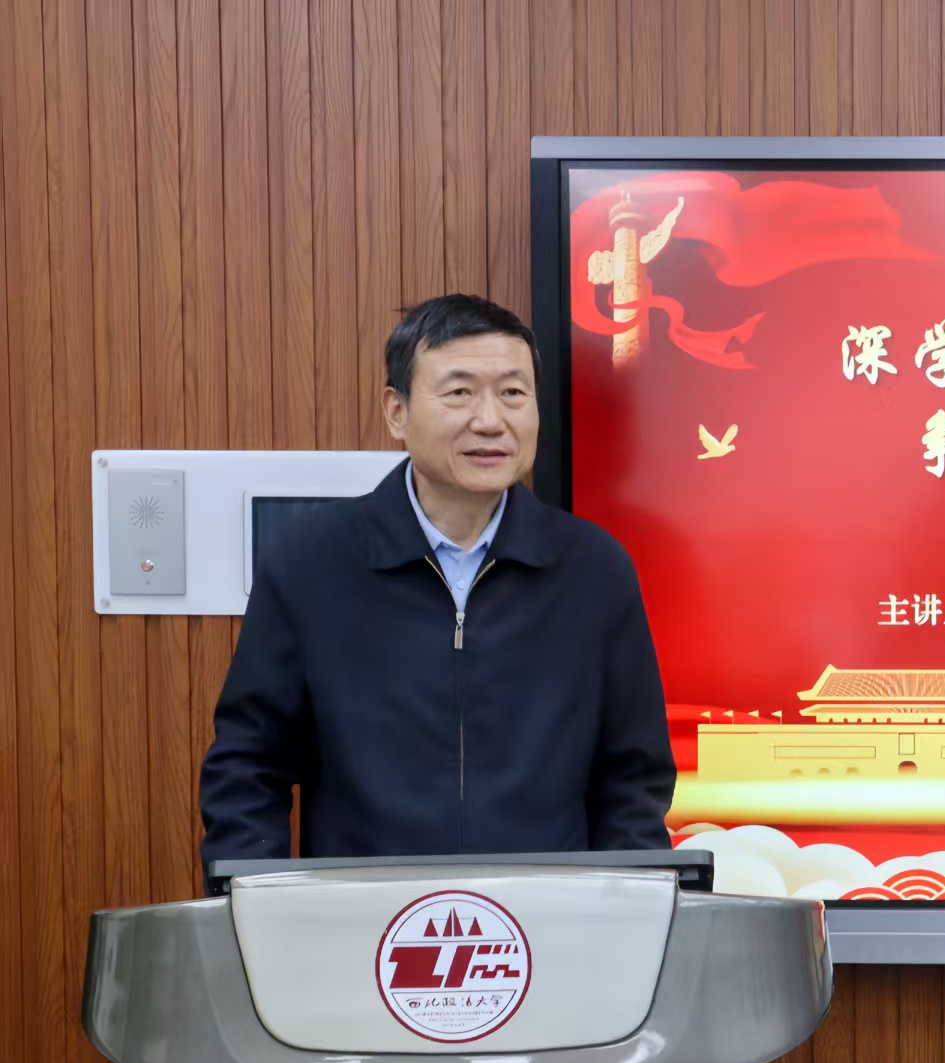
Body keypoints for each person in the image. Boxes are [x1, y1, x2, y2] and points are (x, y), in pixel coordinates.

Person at [199, 293, 675, 869]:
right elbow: (249, 765)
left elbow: (633, 775)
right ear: (396, 412)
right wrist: (257, 900)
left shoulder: (593, 569)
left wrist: (627, 904)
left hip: (544, 913)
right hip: (364, 913)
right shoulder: (310, 563)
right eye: (459, 393)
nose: (490, 420)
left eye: (513, 393)